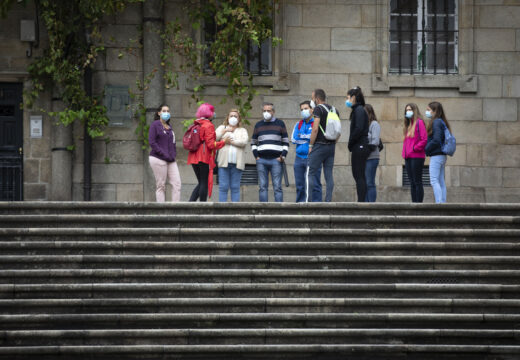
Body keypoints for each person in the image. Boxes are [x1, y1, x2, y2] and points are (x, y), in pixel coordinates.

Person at [188, 103, 231, 202]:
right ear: (209, 113)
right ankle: (203, 205)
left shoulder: (198, 123)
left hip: (193, 156)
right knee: (204, 182)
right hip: (203, 156)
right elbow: (211, 144)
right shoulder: (208, 125)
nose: (214, 113)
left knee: (201, 182)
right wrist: (224, 142)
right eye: (212, 111)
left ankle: (190, 203)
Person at [251, 102, 289, 202]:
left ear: (273, 112)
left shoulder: (280, 123)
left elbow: (285, 142)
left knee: (277, 187)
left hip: (276, 160)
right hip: (261, 160)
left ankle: (279, 212)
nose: (266, 112)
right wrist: (256, 157)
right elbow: (253, 142)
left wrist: (283, 156)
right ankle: (263, 213)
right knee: (262, 187)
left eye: (268, 110)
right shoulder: (258, 125)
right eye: (264, 111)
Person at [307, 89, 338, 202]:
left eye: (312, 98)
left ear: (317, 99)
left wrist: (310, 145)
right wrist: (333, 142)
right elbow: (338, 131)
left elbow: (315, 129)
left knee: (310, 172)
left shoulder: (318, 109)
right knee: (328, 174)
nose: (312, 100)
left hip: (319, 145)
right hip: (331, 146)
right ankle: (328, 201)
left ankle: (308, 201)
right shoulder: (334, 110)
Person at [148, 104, 181, 202]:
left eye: (168, 111)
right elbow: (152, 142)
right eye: (164, 111)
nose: (166, 113)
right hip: (158, 158)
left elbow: (173, 143)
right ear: (159, 113)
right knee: (161, 185)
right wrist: (163, 154)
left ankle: (175, 210)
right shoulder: (155, 125)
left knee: (177, 184)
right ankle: (161, 212)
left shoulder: (169, 127)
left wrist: (173, 155)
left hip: (170, 160)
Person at [215, 109, 249, 202]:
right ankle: (222, 211)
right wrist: (225, 130)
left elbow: (244, 141)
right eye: (231, 116)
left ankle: (235, 211)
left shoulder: (242, 130)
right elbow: (214, 137)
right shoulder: (222, 127)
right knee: (223, 187)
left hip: (237, 164)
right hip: (223, 163)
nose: (233, 118)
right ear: (228, 117)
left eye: (235, 116)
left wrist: (231, 141)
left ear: (239, 119)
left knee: (235, 187)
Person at [291, 101, 322, 202]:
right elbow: (294, 139)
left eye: (305, 108)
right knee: (300, 185)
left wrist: (303, 137)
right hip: (299, 158)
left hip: (313, 157)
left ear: (312, 109)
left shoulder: (316, 123)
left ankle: (317, 207)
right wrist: (308, 137)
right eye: (301, 109)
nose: (303, 111)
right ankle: (300, 207)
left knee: (315, 184)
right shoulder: (298, 124)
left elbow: (317, 137)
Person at [346, 86, 370, 202]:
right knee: (358, 174)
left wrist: (350, 142)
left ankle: (361, 202)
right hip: (359, 145)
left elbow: (359, 128)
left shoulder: (359, 110)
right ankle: (361, 200)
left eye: (348, 98)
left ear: (354, 97)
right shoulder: (358, 110)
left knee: (359, 174)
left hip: (360, 145)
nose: (347, 101)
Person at [425, 101, 451, 204]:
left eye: (428, 110)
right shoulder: (441, 121)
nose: (426, 112)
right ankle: (442, 202)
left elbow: (436, 139)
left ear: (435, 111)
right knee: (440, 181)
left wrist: (426, 149)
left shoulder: (436, 122)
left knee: (434, 180)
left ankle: (439, 203)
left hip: (436, 155)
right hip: (441, 155)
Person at [402, 103, 428, 203]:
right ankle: (414, 204)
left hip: (417, 156)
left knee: (417, 181)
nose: (407, 112)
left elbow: (424, 139)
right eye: (406, 110)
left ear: (414, 110)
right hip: (408, 157)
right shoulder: (409, 124)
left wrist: (414, 148)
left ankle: (419, 205)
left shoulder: (419, 122)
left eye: (409, 109)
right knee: (412, 182)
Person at [364, 104, 381, 202]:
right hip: (364, 158)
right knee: (365, 183)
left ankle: (371, 204)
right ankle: (366, 204)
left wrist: (366, 148)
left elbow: (375, 141)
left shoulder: (374, 124)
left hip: (372, 157)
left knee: (370, 182)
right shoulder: (364, 125)